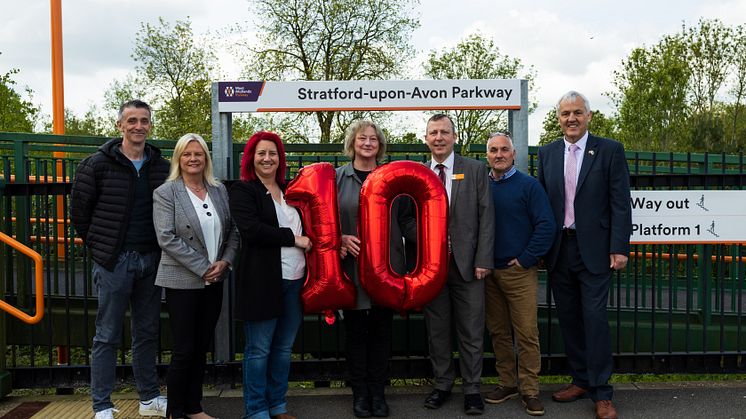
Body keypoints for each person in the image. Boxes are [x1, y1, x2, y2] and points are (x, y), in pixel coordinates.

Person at [71, 99, 169, 419]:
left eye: (144, 121)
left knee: (147, 332)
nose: (138, 126)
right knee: (107, 334)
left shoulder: (160, 166)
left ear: (150, 125)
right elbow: (79, 214)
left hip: (150, 261)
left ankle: (148, 398)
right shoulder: (96, 164)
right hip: (115, 262)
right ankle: (102, 404)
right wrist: (102, 249)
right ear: (120, 126)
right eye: (132, 121)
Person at [537, 91, 632, 419]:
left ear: (589, 116)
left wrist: (619, 247)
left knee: (594, 319)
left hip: (595, 250)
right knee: (569, 319)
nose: (571, 119)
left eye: (578, 112)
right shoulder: (547, 154)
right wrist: (539, 248)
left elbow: (621, 201)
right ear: (559, 118)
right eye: (566, 114)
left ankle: (602, 393)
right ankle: (580, 380)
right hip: (559, 249)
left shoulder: (610, 150)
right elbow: (541, 207)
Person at [152, 133, 240, 419]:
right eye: (187, 154)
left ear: (206, 159)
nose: (193, 159)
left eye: (198, 154)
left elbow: (233, 233)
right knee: (184, 349)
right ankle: (175, 411)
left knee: (202, 346)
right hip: (183, 281)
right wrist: (203, 266)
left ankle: (194, 407)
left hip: (215, 280)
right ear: (179, 158)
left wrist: (225, 262)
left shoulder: (219, 191)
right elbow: (166, 237)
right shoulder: (166, 193)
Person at [229, 131, 312, 419]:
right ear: (251, 158)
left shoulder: (291, 190)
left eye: (273, 153)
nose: (267, 158)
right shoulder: (243, 191)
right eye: (261, 153)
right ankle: (256, 410)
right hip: (263, 282)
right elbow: (252, 231)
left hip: (296, 280)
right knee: (259, 350)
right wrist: (294, 238)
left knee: (283, 350)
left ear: (280, 159)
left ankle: (277, 406)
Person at [336, 121, 416, 418]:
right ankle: (360, 395)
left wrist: (440, 238)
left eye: (373, 139)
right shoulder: (337, 179)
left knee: (382, 332)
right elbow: (324, 220)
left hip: (389, 270)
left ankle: (379, 394)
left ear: (380, 146)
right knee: (356, 333)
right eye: (362, 138)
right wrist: (339, 239)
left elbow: (407, 220)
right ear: (352, 143)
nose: (368, 143)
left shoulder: (393, 178)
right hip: (352, 269)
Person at [421, 114, 495, 416]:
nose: (439, 138)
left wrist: (483, 260)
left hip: (468, 267)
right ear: (425, 138)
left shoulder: (475, 170)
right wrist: (426, 239)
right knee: (437, 330)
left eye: (444, 132)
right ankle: (442, 385)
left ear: (454, 137)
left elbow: (486, 218)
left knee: (471, 330)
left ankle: (472, 389)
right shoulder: (418, 172)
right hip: (430, 268)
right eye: (433, 133)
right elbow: (407, 218)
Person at [482, 133, 555, 417]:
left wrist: (524, 259)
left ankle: (530, 390)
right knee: (498, 332)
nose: (498, 154)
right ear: (487, 155)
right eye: (493, 150)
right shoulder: (481, 186)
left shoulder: (529, 186)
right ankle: (507, 383)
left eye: (504, 150)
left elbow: (546, 225)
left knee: (526, 333)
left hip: (518, 272)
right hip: (487, 271)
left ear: (513, 154)